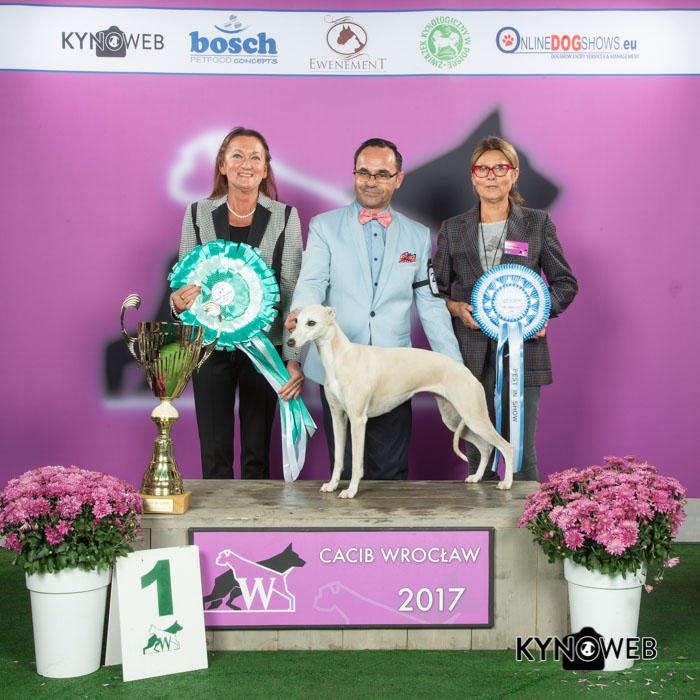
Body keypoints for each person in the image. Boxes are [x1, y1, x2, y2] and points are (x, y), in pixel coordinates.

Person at [285, 137, 462, 481]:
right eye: (364, 172)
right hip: (339, 367)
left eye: (382, 174)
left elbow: (430, 302)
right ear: (354, 174)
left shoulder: (417, 235)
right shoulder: (324, 226)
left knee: (391, 473)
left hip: (394, 367)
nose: (371, 181)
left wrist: (452, 364)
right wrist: (302, 312)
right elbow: (312, 280)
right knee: (345, 469)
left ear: (398, 179)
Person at [433, 135, 578, 482]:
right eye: (482, 169)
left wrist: (541, 313)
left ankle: (526, 518)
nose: (491, 176)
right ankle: (481, 516)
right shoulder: (453, 229)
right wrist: (455, 308)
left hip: (523, 350)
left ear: (514, 174)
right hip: (469, 354)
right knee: (478, 453)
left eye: (500, 168)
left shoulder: (538, 223)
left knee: (521, 454)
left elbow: (565, 282)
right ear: (473, 176)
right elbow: (435, 292)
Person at [171, 127, 304, 479]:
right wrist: (178, 304)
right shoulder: (197, 213)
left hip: (265, 347)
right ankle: (218, 513)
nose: (246, 164)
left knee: (257, 454)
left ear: (265, 168)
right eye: (237, 156)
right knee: (214, 452)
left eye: (255, 157)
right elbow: (185, 282)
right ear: (223, 165)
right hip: (209, 346)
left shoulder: (286, 216)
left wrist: (292, 358)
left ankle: (256, 516)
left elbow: (292, 289)